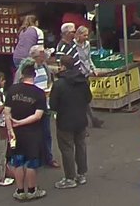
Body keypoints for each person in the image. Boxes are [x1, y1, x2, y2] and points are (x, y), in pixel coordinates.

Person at [49, 54, 91, 189]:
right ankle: (81, 174)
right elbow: (88, 98)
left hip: (65, 120)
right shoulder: (83, 80)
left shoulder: (59, 84)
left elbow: (53, 105)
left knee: (67, 148)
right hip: (81, 118)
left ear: (63, 66)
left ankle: (69, 177)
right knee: (81, 145)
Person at [8, 61, 48, 201]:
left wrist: (11, 129)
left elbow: (7, 112)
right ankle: (32, 190)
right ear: (34, 75)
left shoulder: (12, 90)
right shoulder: (39, 93)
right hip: (32, 133)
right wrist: (21, 123)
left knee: (17, 162)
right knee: (31, 162)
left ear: (22, 75)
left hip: (15, 134)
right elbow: (38, 115)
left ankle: (20, 191)